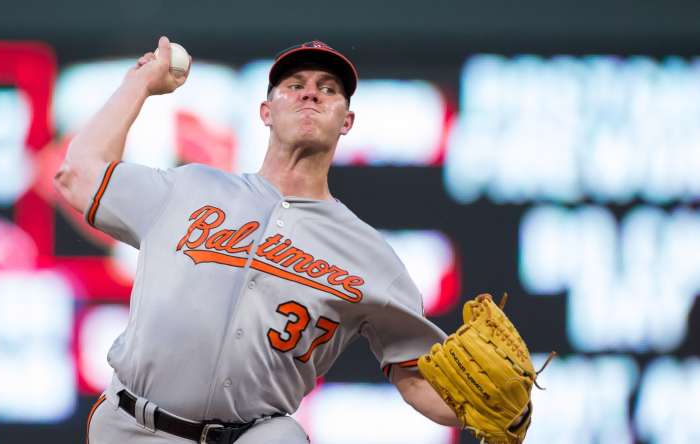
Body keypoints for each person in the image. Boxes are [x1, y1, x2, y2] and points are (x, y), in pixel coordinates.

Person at [55, 36, 460, 444]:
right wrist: (138, 84)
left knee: (283, 437)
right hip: (134, 426)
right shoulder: (189, 188)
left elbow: (416, 375)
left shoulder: (369, 255)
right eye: (294, 84)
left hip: (250, 435)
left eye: (328, 88)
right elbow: (79, 174)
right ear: (266, 112)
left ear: (346, 121)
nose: (310, 94)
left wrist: (489, 414)